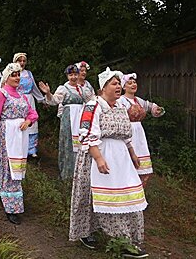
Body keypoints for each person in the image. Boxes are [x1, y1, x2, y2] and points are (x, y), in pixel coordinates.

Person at [69, 67, 148, 258]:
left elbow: (126, 134)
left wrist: (132, 153)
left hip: (120, 157)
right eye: (114, 83)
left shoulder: (121, 107)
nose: (118, 87)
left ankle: (128, 239)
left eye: (119, 84)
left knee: (126, 196)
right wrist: (98, 158)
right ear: (104, 87)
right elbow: (86, 134)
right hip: (98, 155)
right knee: (92, 194)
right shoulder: (93, 105)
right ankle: (92, 234)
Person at [0, 63, 39, 225]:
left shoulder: (21, 95)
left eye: (18, 75)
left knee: (14, 167)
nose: (17, 77)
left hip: (20, 137)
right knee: (8, 168)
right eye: (13, 75)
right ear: (6, 77)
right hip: (6, 135)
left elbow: (32, 113)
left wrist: (28, 121)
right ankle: (12, 207)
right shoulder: (0, 94)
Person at [38, 62, 96, 180]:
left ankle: (81, 173)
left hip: (80, 117)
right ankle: (68, 174)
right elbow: (54, 101)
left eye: (75, 74)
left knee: (81, 142)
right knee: (69, 143)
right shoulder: (63, 88)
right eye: (71, 75)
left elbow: (92, 100)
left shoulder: (82, 89)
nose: (73, 77)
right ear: (67, 76)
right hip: (69, 118)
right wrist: (48, 93)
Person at [117, 73, 164, 187]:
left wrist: (156, 109)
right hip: (128, 132)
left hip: (139, 134)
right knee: (129, 162)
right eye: (129, 83)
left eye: (134, 82)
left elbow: (149, 105)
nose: (133, 84)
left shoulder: (138, 100)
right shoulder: (121, 101)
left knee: (142, 166)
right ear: (124, 87)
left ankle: (140, 190)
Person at [13, 53, 45, 157]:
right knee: (20, 122)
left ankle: (31, 149)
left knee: (31, 122)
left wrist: (42, 99)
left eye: (24, 61)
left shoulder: (29, 73)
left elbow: (34, 88)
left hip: (29, 99)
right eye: (19, 61)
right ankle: (19, 147)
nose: (22, 63)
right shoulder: (12, 73)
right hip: (17, 99)